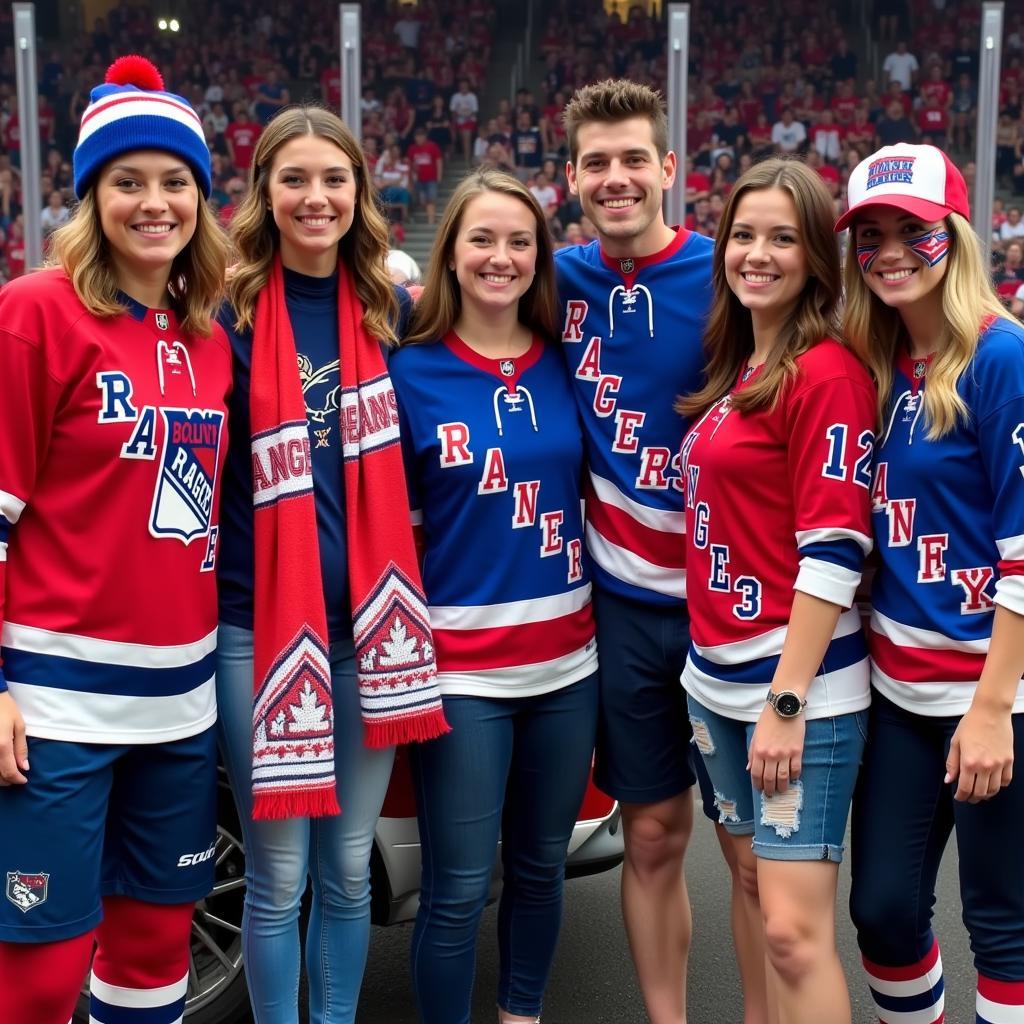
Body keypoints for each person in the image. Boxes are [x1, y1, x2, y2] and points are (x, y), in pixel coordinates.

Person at [0, 55, 231, 1024]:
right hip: (55, 707)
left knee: (152, 957)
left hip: (181, 707)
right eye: (127, 181)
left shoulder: (211, 336)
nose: (154, 201)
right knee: (44, 976)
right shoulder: (33, 314)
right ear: (91, 195)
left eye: (174, 181)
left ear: (201, 199)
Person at [215, 105, 449, 1024]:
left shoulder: (394, 314)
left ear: (361, 192)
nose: (316, 198)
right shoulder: (222, 315)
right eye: (295, 180)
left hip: (369, 633)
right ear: (265, 193)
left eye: (334, 180)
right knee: (277, 874)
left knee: (348, 868)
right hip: (255, 629)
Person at [556, 79, 765, 1024]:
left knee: (753, 854)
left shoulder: (733, 273)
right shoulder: (553, 279)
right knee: (649, 835)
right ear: (571, 175)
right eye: (597, 162)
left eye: (634, 158)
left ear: (669, 169)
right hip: (623, 606)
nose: (616, 178)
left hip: (731, 602)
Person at [391, 167, 599, 1024]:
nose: (501, 257)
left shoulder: (569, 362)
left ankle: (522, 1015)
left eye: (520, 241)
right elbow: (392, 532)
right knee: (457, 887)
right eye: (482, 238)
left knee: (543, 868)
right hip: (462, 674)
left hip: (568, 667)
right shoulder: (410, 373)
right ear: (450, 253)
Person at [679, 159, 875, 1024]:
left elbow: (835, 551)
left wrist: (786, 702)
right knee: (756, 892)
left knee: (795, 932)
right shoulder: (737, 368)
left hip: (796, 688)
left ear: (816, 259)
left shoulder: (826, 372)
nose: (758, 254)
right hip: (715, 681)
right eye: (744, 235)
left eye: (783, 238)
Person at [838, 143, 1024, 1024]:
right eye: (870, 235)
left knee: (1004, 924)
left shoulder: (1001, 357)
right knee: (882, 911)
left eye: (912, 230)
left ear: (953, 232)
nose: (889, 251)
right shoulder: (871, 368)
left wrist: (993, 707)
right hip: (899, 696)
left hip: (996, 696)